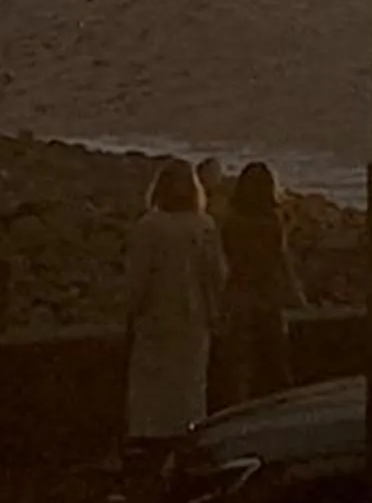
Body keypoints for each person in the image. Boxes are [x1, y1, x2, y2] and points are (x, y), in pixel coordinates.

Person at [125, 159, 229, 459]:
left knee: (151, 383)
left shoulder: (149, 226)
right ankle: (188, 435)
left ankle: (149, 440)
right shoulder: (204, 225)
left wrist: (131, 310)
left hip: (156, 317)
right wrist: (215, 313)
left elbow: (137, 279)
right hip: (195, 318)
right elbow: (217, 276)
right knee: (190, 383)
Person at [217, 161, 304, 404]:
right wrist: (298, 296)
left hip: (238, 296)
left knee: (239, 367)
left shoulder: (232, 222)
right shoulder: (273, 222)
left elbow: (223, 260)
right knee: (275, 363)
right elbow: (282, 262)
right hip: (268, 296)